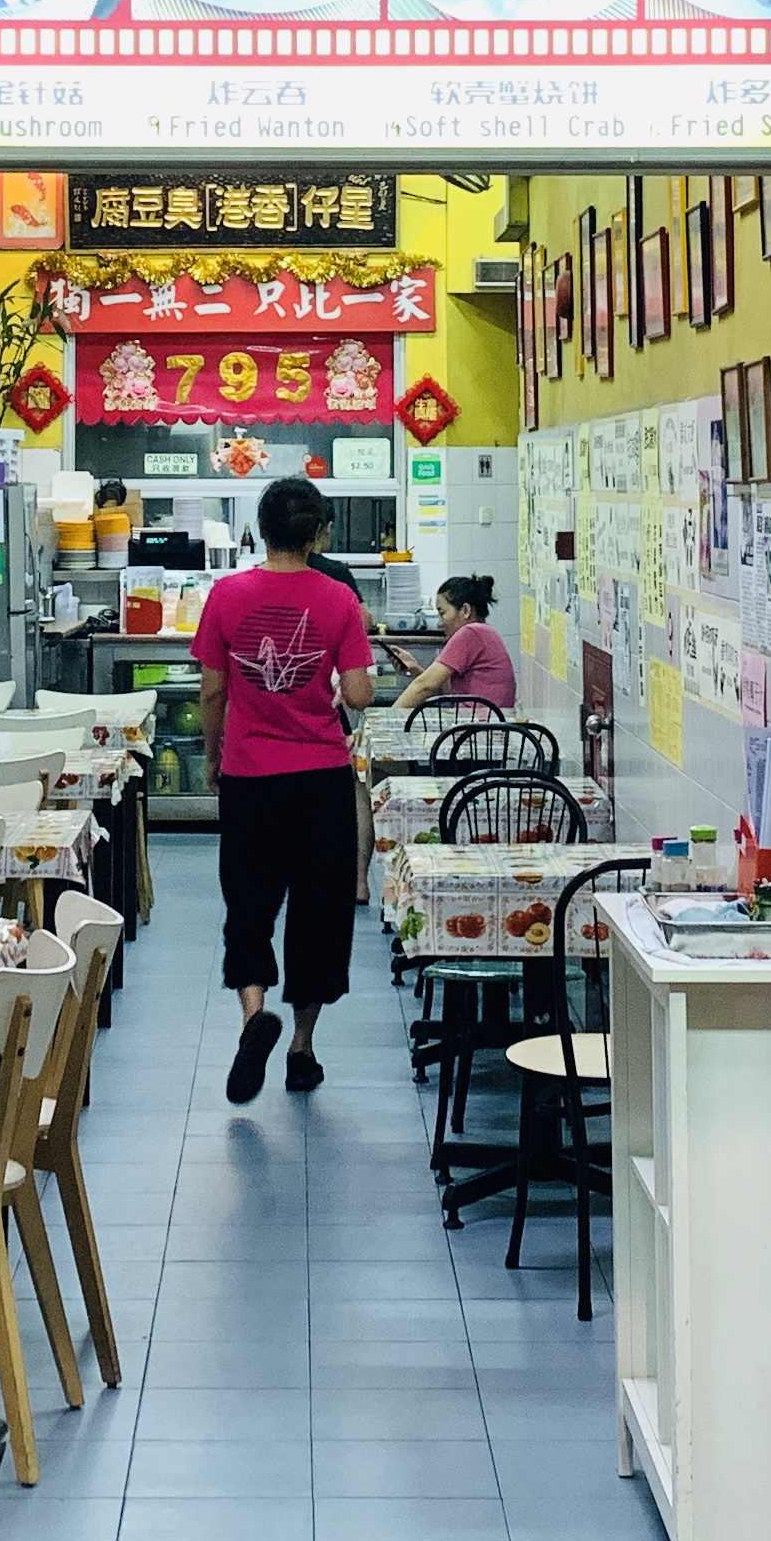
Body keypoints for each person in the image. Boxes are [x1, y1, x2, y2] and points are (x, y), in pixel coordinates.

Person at [192, 472, 374, 1103]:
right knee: (318, 915)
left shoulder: (226, 596)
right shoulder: (338, 599)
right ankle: (301, 1048)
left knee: (248, 905)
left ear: (262, 530)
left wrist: (214, 759)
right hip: (321, 780)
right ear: (317, 532)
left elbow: (212, 691)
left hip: (250, 776)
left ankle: (253, 1016)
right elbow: (357, 693)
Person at [386, 575, 515, 717]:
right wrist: (415, 668)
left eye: (443, 613)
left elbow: (425, 686)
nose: (439, 623)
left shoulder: (472, 632)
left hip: (480, 730)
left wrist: (387, 718)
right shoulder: (485, 633)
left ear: (466, 610)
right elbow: (445, 693)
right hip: (483, 727)